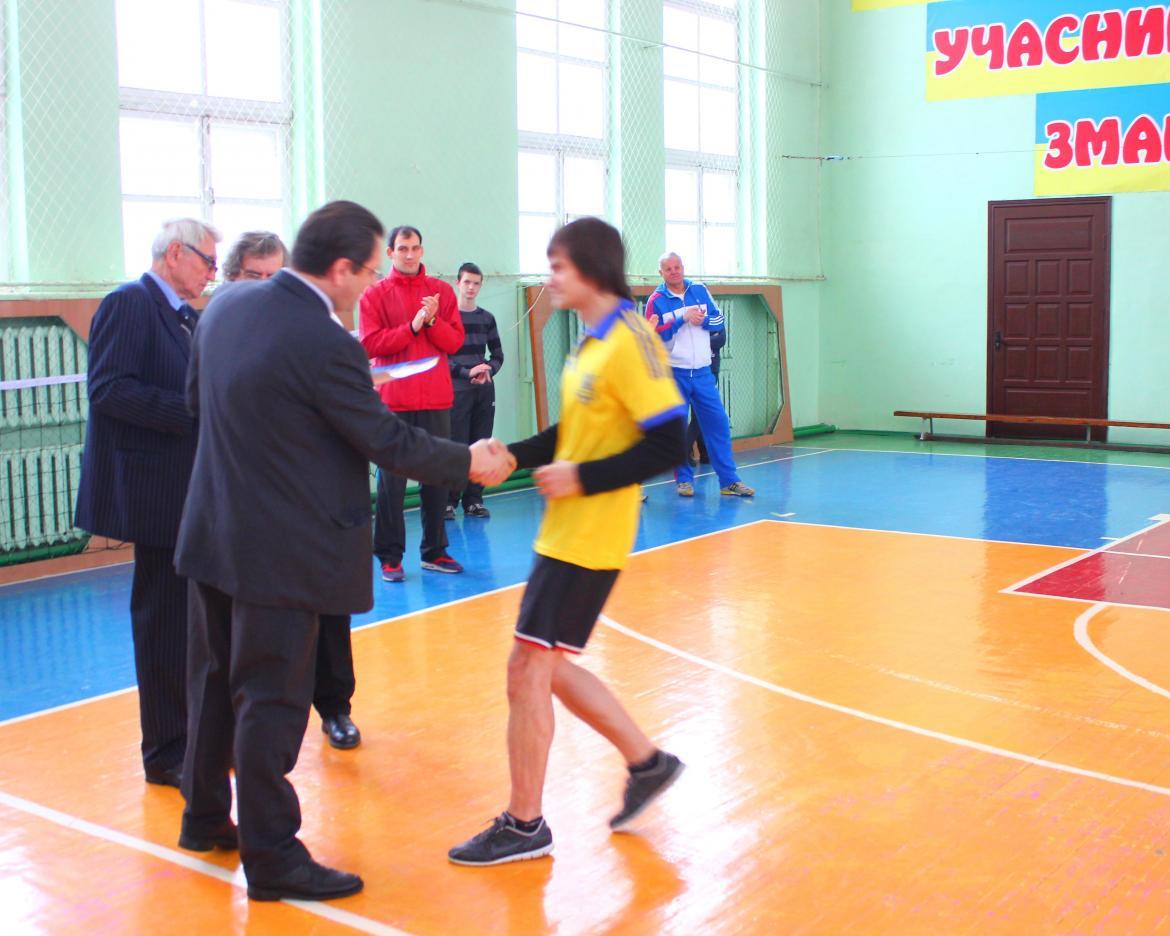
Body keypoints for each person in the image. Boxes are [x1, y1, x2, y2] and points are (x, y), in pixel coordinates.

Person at [175, 200, 512, 901]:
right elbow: (386, 440)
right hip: (282, 549)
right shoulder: (323, 340)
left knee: (212, 682)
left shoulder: (224, 307)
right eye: (368, 271)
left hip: (212, 529)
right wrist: (467, 459)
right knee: (271, 697)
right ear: (340, 268)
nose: (372, 284)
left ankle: (203, 816)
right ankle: (272, 856)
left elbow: (196, 406)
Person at [448, 217, 688, 867]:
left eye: (558, 267)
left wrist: (582, 479)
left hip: (592, 534)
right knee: (543, 665)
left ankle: (525, 823)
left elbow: (671, 441)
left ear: (592, 269)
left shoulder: (632, 341)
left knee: (527, 667)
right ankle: (647, 762)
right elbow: (572, 431)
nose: (549, 278)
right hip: (566, 531)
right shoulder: (589, 340)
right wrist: (513, 455)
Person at [75, 217, 221, 789]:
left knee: (188, 623)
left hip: (184, 490)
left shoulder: (187, 317)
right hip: (153, 491)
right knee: (162, 625)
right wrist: (192, 413)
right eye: (207, 260)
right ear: (175, 253)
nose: (212, 272)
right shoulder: (130, 303)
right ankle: (165, 752)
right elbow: (108, 389)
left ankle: (192, 739)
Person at [222, 230, 362, 751]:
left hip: (315, 495)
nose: (263, 285)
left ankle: (335, 707)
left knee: (329, 610)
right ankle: (250, 730)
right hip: (249, 499)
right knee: (253, 626)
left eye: (272, 276)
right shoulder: (222, 325)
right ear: (232, 277)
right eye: (252, 275)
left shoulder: (317, 326)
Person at [359, 226, 465, 582]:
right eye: (402, 248)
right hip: (394, 401)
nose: (409, 254)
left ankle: (435, 551)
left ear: (422, 251)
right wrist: (413, 327)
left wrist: (431, 321)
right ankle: (390, 557)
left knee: (437, 477)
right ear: (390, 253)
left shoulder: (442, 292)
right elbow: (371, 344)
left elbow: (454, 342)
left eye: (415, 248)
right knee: (392, 482)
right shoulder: (374, 295)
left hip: (436, 398)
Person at [644, 252, 754, 498]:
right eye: (668, 268)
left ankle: (729, 481)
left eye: (678, 266)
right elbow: (652, 335)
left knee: (718, 424)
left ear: (683, 267)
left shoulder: (699, 290)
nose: (674, 271)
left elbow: (719, 320)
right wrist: (681, 319)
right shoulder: (656, 300)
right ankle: (684, 480)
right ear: (661, 273)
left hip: (703, 372)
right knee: (677, 430)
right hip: (673, 373)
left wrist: (702, 321)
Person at [446, 261, 504, 519]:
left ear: (481, 286)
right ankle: (449, 501)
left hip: (484, 392)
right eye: (467, 282)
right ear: (458, 283)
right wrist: (466, 372)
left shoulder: (487, 318)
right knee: (457, 445)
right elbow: (442, 359)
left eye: (476, 283)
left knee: (481, 444)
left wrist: (487, 370)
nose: (471, 287)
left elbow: (498, 355)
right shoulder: (447, 319)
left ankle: (474, 501)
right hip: (457, 391)